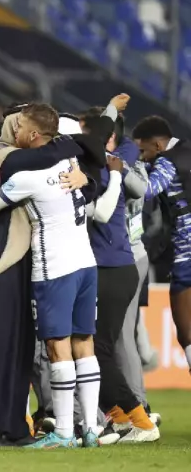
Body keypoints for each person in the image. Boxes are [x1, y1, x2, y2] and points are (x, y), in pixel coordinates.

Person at [0, 104, 99, 450]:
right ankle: (91, 429)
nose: (15, 129)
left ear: (33, 135)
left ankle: (64, 432)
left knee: (57, 346)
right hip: (86, 262)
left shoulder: (26, 177)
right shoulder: (71, 163)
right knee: (85, 344)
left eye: (19, 125)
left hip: (55, 268)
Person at [80, 111, 159, 443]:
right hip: (112, 267)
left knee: (97, 347)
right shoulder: (103, 168)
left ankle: (139, 420)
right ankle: (120, 416)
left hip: (112, 268)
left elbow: (99, 211)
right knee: (93, 345)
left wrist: (114, 175)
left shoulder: (103, 171)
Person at [132, 116, 191, 388]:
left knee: (186, 330)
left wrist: (120, 169)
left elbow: (147, 190)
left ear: (157, 145)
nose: (142, 158)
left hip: (186, 256)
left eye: (143, 151)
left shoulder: (166, 161)